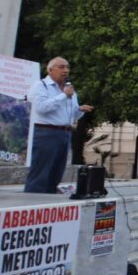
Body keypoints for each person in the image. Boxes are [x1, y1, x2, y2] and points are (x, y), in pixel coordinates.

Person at [24, 57, 94, 193]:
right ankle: (32, 201)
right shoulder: (40, 85)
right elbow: (40, 108)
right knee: (41, 172)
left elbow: (71, 116)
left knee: (56, 172)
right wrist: (63, 96)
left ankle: (48, 202)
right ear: (50, 70)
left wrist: (79, 110)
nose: (66, 70)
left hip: (65, 133)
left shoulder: (70, 91)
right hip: (45, 132)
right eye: (61, 67)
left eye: (67, 67)